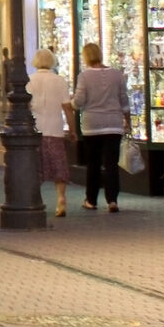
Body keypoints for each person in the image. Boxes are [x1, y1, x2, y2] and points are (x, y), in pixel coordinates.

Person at [73, 40, 130, 212]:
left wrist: (72, 103)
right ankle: (112, 200)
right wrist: (128, 120)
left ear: (85, 57)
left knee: (94, 164)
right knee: (111, 163)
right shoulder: (117, 74)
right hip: (113, 124)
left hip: (92, 125)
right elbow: (124, 100)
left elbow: (79, 101)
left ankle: (91, 200)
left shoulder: (84, 76)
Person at [29, 47, 73, 219]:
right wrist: (72, 129)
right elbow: (67, 107)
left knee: (36, 165)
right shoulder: (59, 81)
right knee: (58, 163)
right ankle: (61, 198)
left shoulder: (29, 81)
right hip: (55, 128)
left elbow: (25, 106)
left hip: (36, 129)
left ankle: (35, 198)